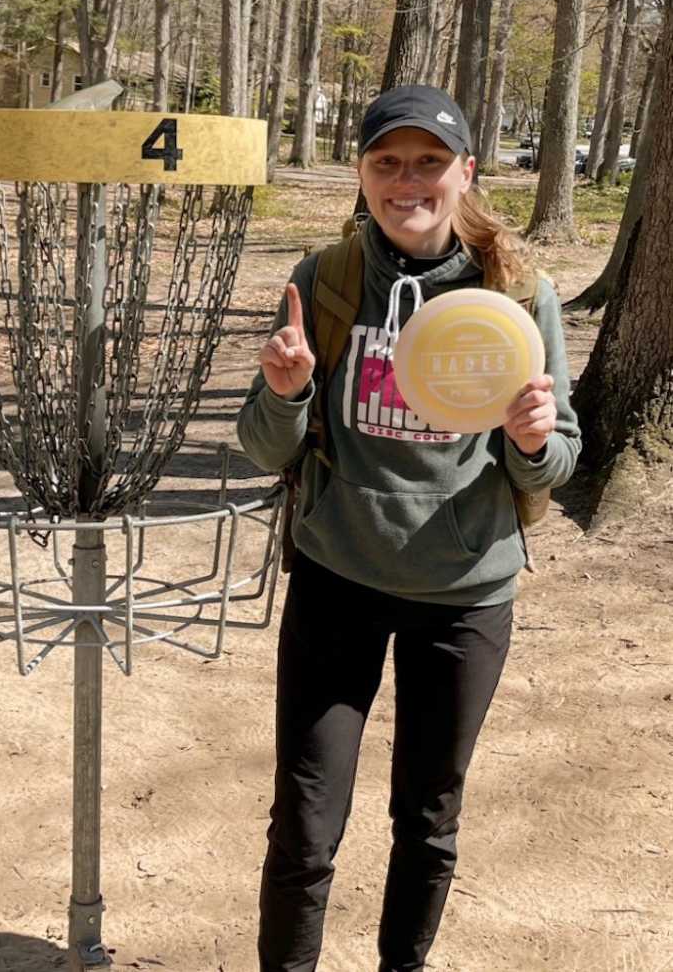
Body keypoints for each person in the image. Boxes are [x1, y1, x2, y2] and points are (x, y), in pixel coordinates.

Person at [237, 84, 581, 972]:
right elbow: (258, 443)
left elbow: (558, 459)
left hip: (464, 597)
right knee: (305, 825)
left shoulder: (516, 291)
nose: (408, 181)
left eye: (429, 162)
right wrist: (285, 392)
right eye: (387, 163)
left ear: (466, 171)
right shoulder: (325, 281)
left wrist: (535, 442)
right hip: (337, 577)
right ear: (362, 174)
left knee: (427, 817)